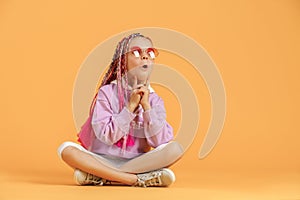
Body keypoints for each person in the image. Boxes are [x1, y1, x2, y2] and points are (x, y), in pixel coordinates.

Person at [57, 33, 183, 187]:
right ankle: (135, 179)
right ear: (123, 61)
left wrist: (147, 107)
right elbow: (105, 136)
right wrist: (129, 108)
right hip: (102, 158)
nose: (145, 57)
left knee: (175, 149)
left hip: (139, 161)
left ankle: (101, 175)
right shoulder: (107, 93)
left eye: (149, 53)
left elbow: (161, 141)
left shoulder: (154, 100)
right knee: (66, 149)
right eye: (137, 52)